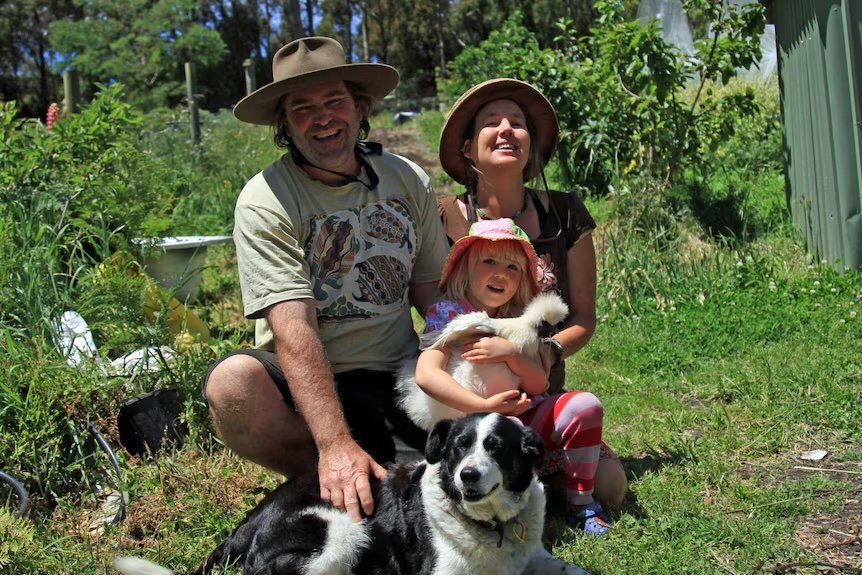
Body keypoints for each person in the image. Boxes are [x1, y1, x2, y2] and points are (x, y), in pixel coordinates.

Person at [202, 36, 450, 523]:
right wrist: (334, 442)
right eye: (302, 108)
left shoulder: (405, 180)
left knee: (436, 480)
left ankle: (367, 477)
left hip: (395, 375)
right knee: (232, 385)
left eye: (335, 101)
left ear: (360, 108)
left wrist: (461, 372)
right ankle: (331, 470)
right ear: (285, 124)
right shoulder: (266, 199)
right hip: (307, 386)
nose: (323, 117)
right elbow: (293, 329)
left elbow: (434, 295)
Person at [436, 78, 628, 509]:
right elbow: (432, 310)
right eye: (491, 122)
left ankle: (545, 473)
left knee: (611, 487)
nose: (506, 130)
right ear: (467, 148)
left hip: (536, 395)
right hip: (466, 402)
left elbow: (583, 317)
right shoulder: (443, 216)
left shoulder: (565, 214)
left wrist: (549, 350)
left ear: (530, 145)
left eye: (517, 123)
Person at [414, 217, 612, 535]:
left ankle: (581, 502)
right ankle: (504, 511)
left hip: (523, 414)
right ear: (463, 268)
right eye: (489, 261)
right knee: (508, 432)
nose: (500, 273)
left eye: (512, 268)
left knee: (584, 406)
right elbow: (426, 374)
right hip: (473, 428)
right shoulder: (449, 315)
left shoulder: (519, 322)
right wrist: (482, 407)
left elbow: (538, 385)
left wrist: (510, 353)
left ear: (522, 281)